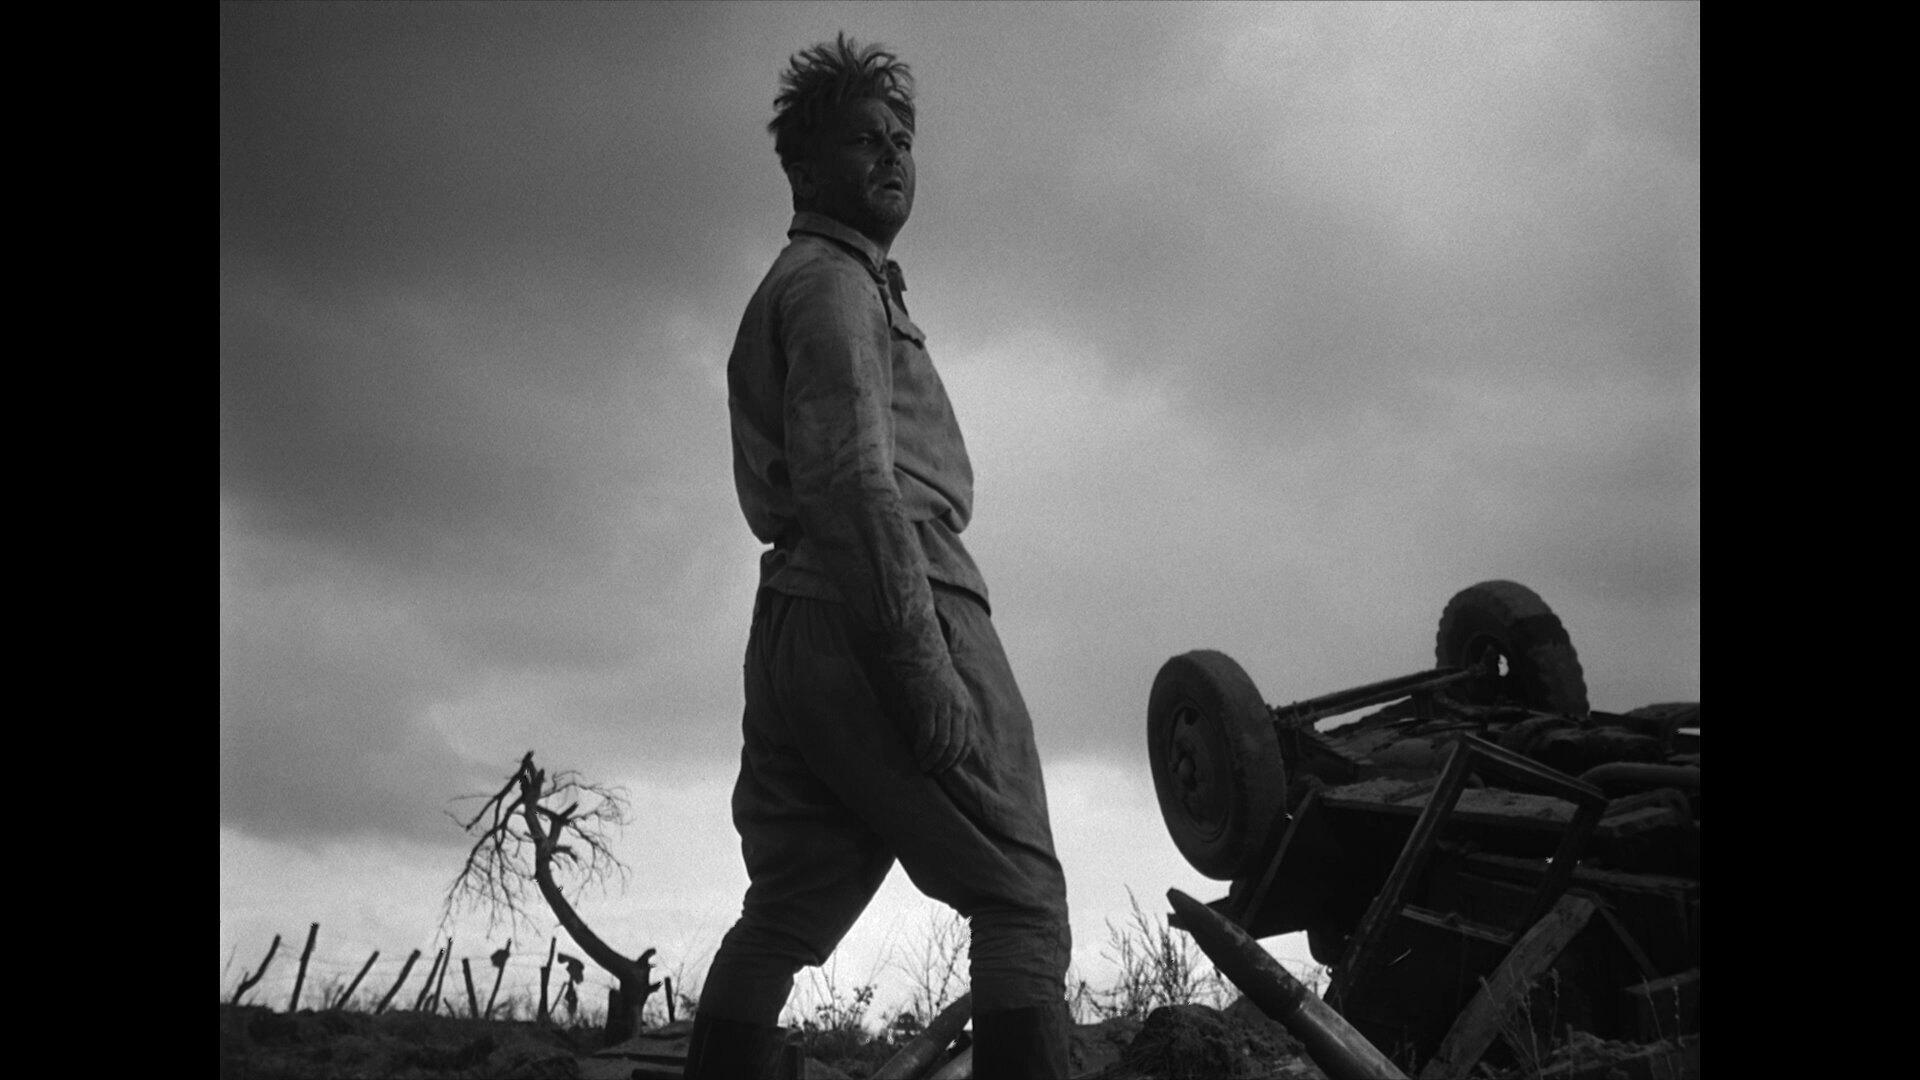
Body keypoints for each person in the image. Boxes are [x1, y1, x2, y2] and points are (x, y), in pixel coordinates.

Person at [684, 32, 1073, 1080]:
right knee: (1021, 896)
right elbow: (854, 482)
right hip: (892, 592)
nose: (895, 153)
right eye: (866, 138)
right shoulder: (832, 287)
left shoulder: (813, 284)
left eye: (903, 138)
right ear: (808, 171)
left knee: (789, 901)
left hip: (795, 618)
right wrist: (919, 663)